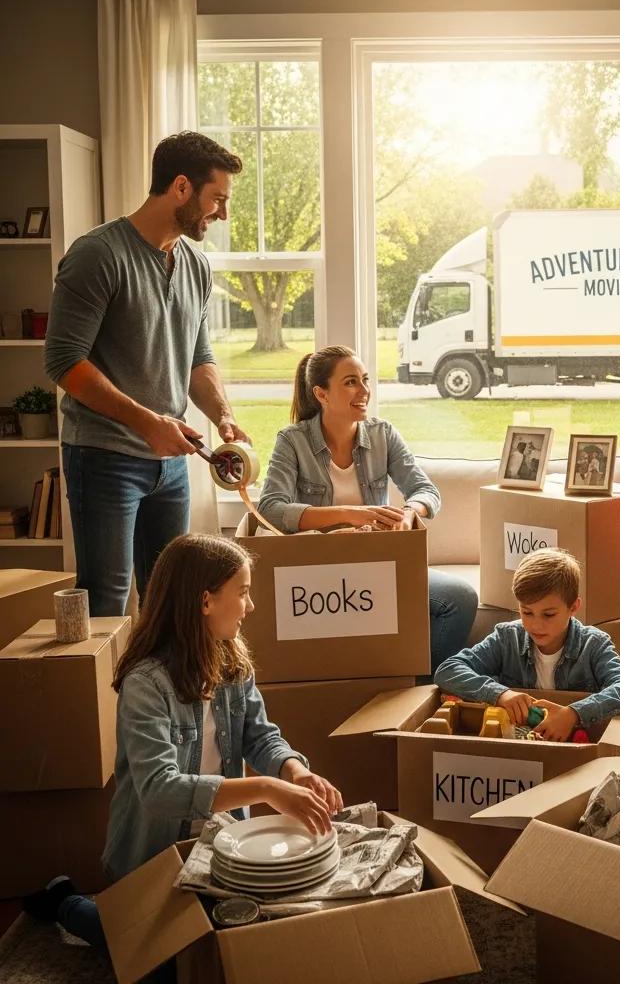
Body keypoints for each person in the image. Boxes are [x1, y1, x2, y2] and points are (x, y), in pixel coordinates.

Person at [22, 533, 342, 965]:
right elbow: (159, 789)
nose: (250, 606)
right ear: (205, 601)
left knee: (243, 950)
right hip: (154, 858)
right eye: (243, 593)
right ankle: (67, 903)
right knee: (170, 968)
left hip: (222, 847)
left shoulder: (231, 660)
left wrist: (293, 771)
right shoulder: (146, 683)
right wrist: (266, 789)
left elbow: (260, 736)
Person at [43, 132, 249, 617]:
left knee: (172, 605)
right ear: (181, 187)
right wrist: (147, 423)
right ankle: (103, 696)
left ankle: (159, 697)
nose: (222, 214)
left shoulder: (195, 264)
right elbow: (63, 362)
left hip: (170, 466)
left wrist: (222, 415)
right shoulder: (98, 255)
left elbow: (198, 356)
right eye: (217, 199)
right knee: (107, 607)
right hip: (104, 459)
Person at [258, 345, 479, 673]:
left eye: (364, 380)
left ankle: (420, 692)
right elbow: (270, 508)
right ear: (321, 393)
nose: (364, 391)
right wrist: (350, 513)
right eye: (350, 382)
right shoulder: (293, 441)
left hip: (380, 563)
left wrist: (408, 513)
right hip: (319, 568)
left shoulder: (383, 434)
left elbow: (426, 491)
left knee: (460, 599)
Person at [434, 548, 620, 741]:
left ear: (574, 607)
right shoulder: (508, 637)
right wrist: (500, 694)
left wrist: (573, 714)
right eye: (527, 612)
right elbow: (448, 670)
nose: (536, 625)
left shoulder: (593, 644)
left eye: (549, 614)